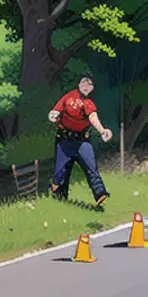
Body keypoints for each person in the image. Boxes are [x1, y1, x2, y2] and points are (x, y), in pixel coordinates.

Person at [48, 73, 112, 206]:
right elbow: (57, 109)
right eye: (84, 83)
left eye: (89, 84)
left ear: (92, 88)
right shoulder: (69, 96)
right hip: (64, 140)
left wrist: (102, 130)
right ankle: (59, 197)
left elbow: (93, 117)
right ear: (79, 84)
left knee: (90, 166)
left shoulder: (88, 103)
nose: (86, 86)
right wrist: (53, 114)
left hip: (82, 142)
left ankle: (100, 193)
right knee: (61, 172)